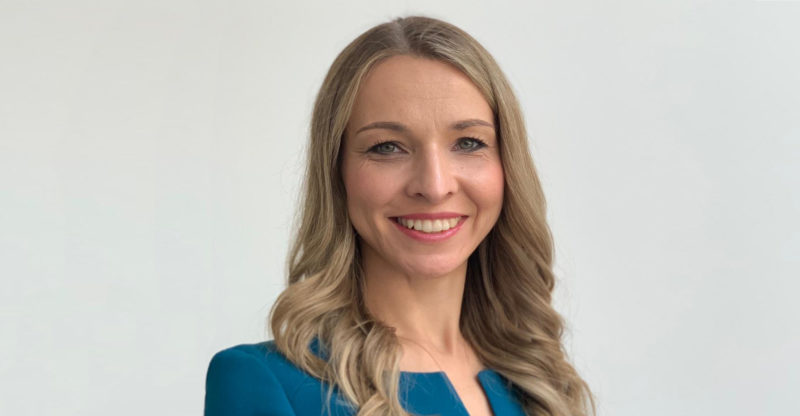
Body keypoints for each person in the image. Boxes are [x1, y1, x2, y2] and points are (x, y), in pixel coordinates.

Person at [204, 15, 595, 416]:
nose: (435, 184)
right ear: (336, 172)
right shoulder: (265, 382)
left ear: (507, 165)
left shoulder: (538, 378)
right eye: (388, 147)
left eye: (468, 142)